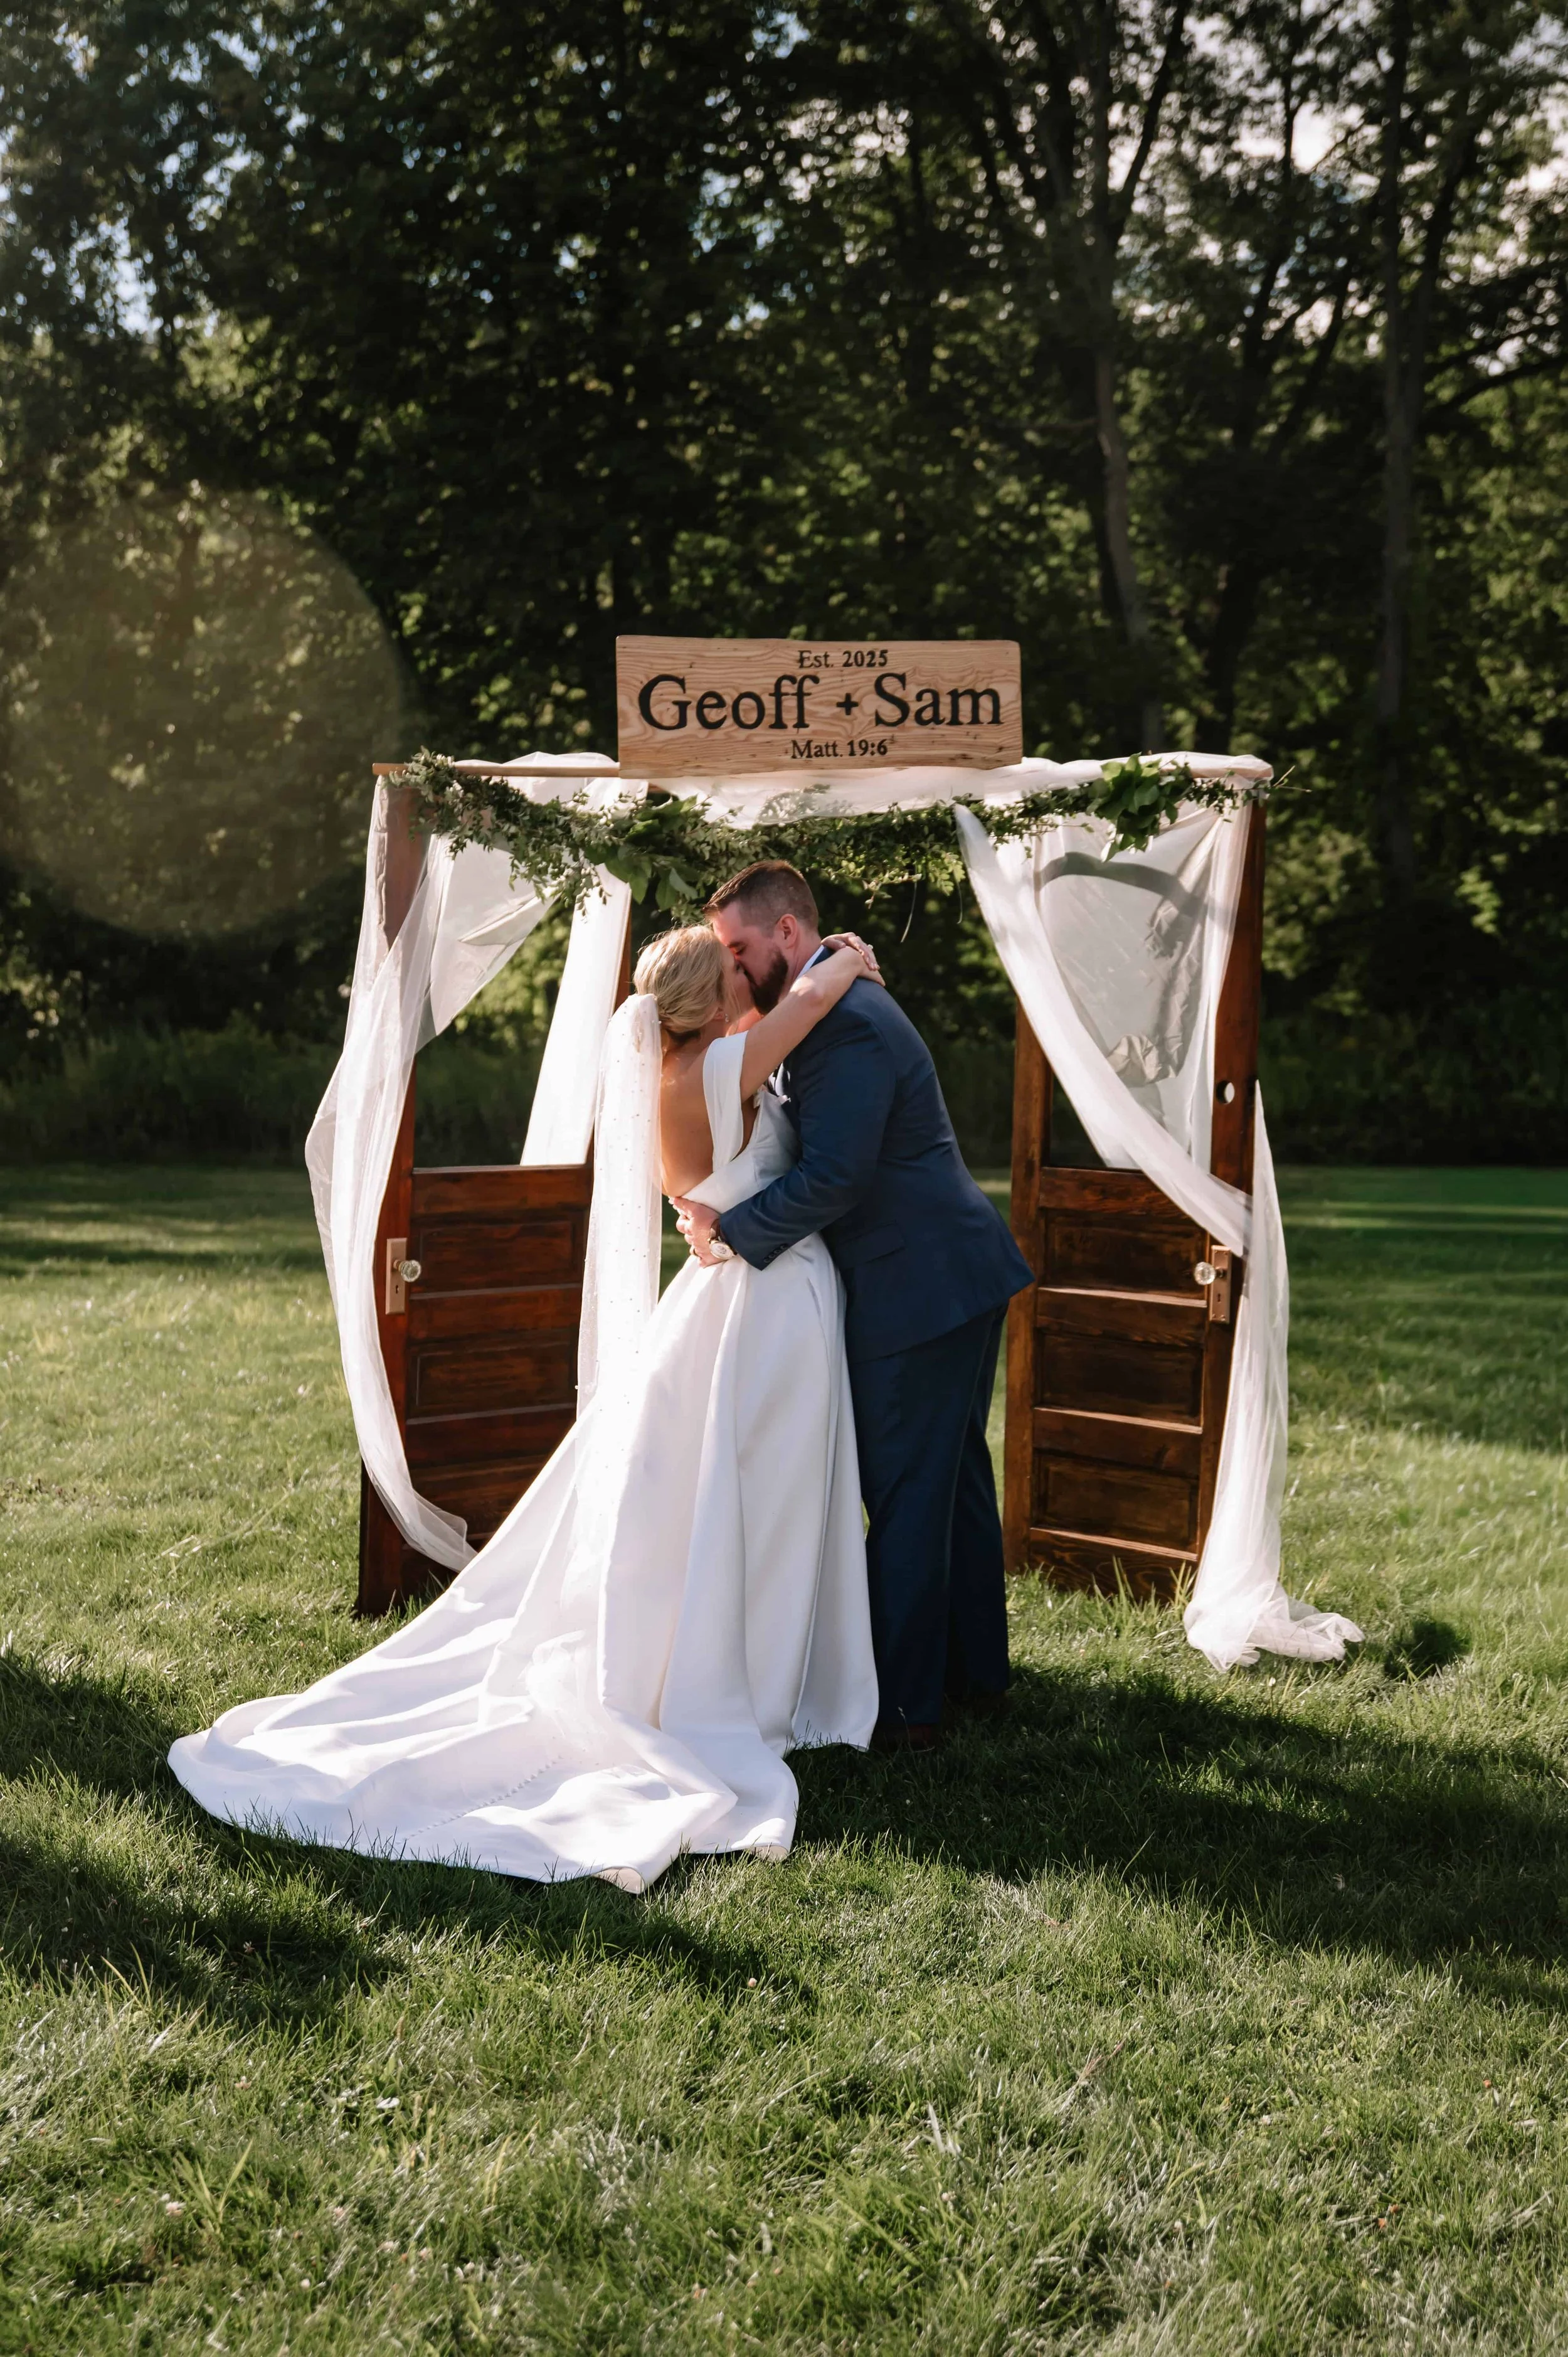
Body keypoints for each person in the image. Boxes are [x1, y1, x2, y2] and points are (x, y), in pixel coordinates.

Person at [169, 925, 882, 1893]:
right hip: (762, 1306)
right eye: (732, 983)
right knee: (763, 1491)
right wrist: (845, 958)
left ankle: (735, 1659)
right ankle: (762, 1677)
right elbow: (805, 1007)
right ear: (714, 1009)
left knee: (719, 1496)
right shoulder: (720, 1071)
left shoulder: (665, 1083)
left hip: (720, 1299)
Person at [677, 861, 1033, 1752]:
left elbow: (837, 1176)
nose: (732, 967)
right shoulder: (819, 1005)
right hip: (939, 1275)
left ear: (788, 936)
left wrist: (729, 1230)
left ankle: (908, 1710)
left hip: (920, 1285)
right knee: (948, 1485)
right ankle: (973, 1672)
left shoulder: (851, 1029)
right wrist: (838, 958)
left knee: (912, 1494)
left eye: (740, 948)